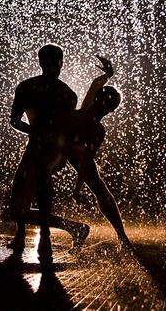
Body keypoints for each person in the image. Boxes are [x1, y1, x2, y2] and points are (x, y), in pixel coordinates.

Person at [8, 44, 89, 265]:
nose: (55, 67)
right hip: (44, 147)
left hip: (50, 149)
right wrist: (36, 132)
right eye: (51, 62)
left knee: (33, 189)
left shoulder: (56, 92)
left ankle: (43, 236)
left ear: (61, 63)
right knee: (17, 204)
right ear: (42, 63)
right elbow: (14, 120)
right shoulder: (54, 92)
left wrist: (36, 132)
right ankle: (68, 228)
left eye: (57, 62)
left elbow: (16, 121)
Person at [63, 56, 132, 249]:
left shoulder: (89, 119)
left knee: (100, 188)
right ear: (111, 110)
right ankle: (122, 237)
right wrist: (77, 190)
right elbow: (85, 161)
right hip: (69, 150)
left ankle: (121, 237)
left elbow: (85, 161)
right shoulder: (95, 127)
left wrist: (107, 75)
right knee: (100, 189)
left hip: (66, 149)